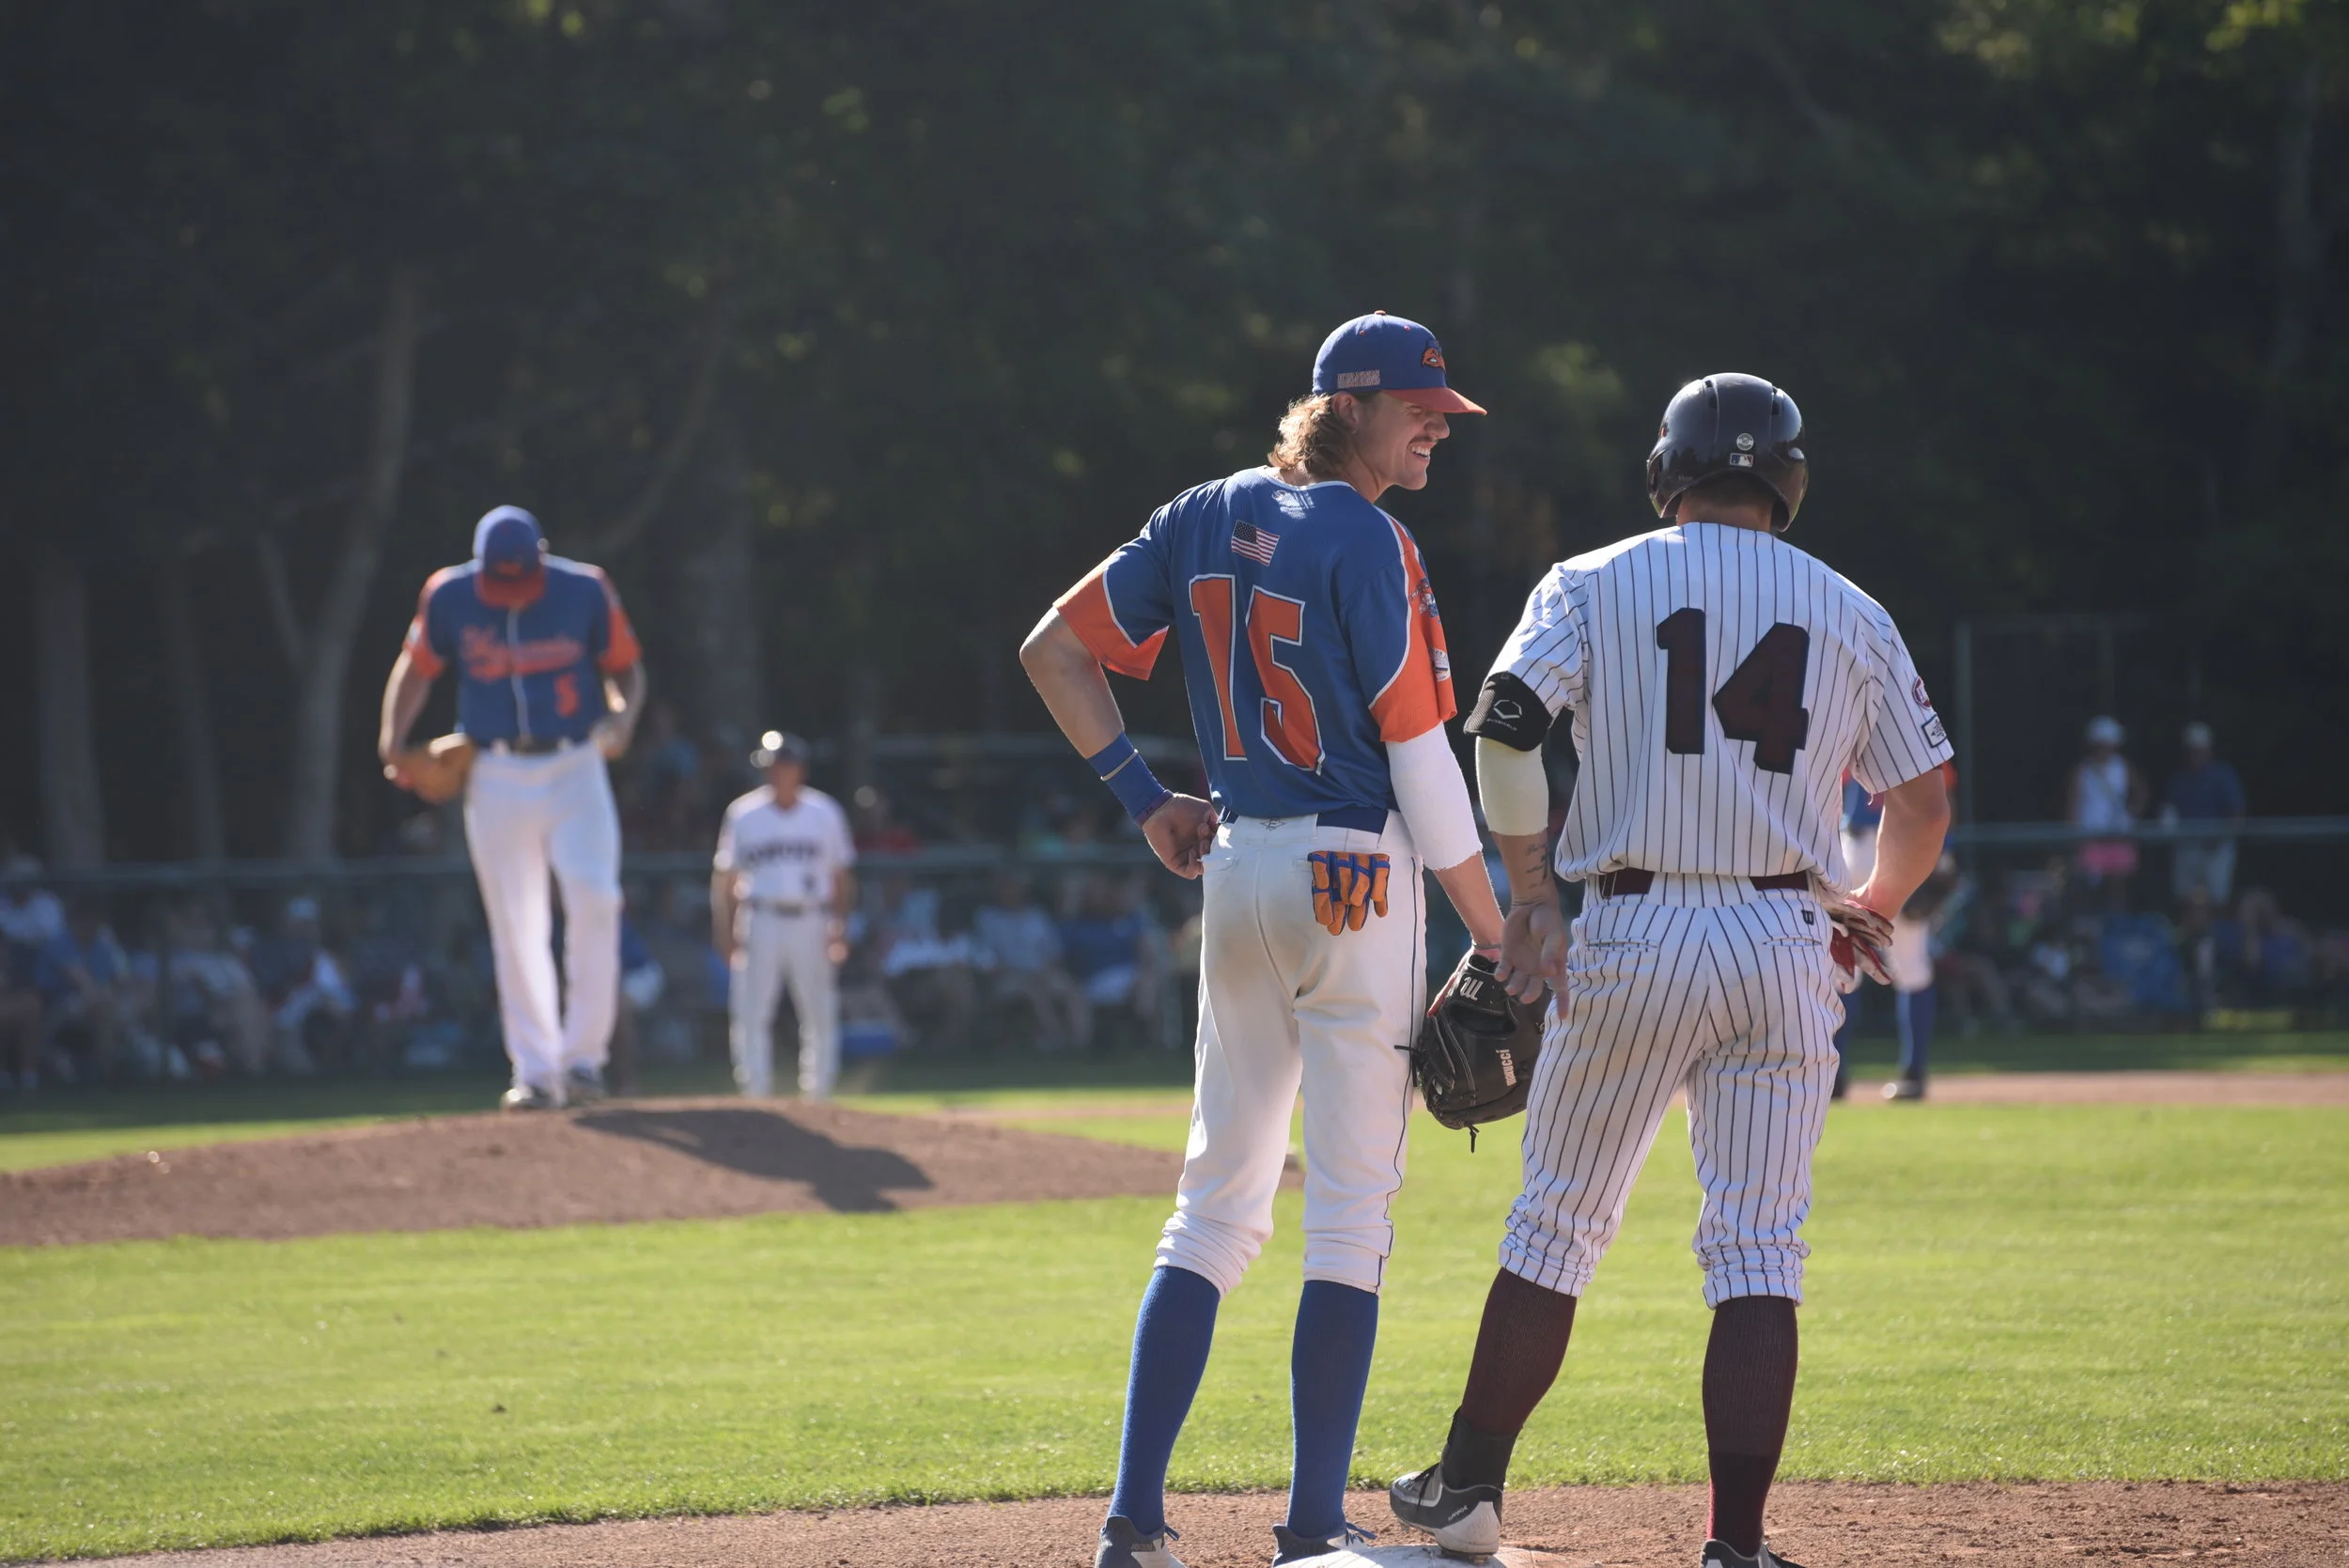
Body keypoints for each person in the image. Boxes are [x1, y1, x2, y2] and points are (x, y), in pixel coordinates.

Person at [1388, 374, 1952, 1568]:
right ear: (1785, 484)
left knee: (1555, 1227)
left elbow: (1499, 722)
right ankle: (1736, 1547)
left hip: (1632, 928)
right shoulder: (1850, 606)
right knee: (1756, 1247)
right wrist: (1878, 904)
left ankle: (1470, 1486)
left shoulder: (1592, 579)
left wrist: (1530, 895)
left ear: (1666, 476)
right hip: (1783, 937)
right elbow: (1923, 797)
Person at [1020, 310, 1506, 1568]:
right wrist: (1501, 934)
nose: (1438, 430)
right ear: (1351, 408)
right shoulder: (1374, 541)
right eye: (1420, 410)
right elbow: (1422, 766)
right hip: (1356, 873)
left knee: (1213, 1208)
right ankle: (1306, 1528)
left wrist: (1144, 799)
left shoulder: (1198, 513)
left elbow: (1053, 652)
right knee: (1348, 1216)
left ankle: (1134, 1522)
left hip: (1235, 867)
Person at [379, 505, 646, 1110]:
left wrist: (623, 717)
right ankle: (535, 1071)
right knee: (515, 920)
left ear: (542, 555)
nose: (511, 592)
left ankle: (583, 1063)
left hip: (575, 763)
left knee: (596, 899)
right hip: (495, 769)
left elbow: (626, 672)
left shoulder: (584, 589)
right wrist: (392, 741)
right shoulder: (450, 595)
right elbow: (416, 669)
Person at [711, 731, 857, 1099]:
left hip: (812, 917)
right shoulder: (744, 813)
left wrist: (840, 926)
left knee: (819, 1009)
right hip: (760, 917)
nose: (778, 773)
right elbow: (726, 879)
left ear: (801, 769)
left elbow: (841, 877)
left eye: (785, 765)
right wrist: (725, 931)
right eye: (772, 766)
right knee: (751, 1010)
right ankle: (755, 1092)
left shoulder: (824, 812)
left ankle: (818, 1093)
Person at [972, 871, 1088, 1049]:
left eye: (1017, 887)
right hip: (1007, 978)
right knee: (1032, 991)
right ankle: (1056, 1040)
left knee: (1072, 991)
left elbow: (1053, 952)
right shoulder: (987, 918)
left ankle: (1081, 1044)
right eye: (1008, 886)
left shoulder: (1037, 916)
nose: (1013, 891)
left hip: (1043, 973)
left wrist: (1046, 971)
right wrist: (1017, 973)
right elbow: (984, 958)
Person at [2164, 722, 2245, 907]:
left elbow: (2236, 812)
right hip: (2187, 848)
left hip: (2216, 848)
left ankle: (2215, 934)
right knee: (2186, 898)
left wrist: (2224, 836)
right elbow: (2170, 813)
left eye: (2200, 750)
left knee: (2217, 899)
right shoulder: (2179, 779)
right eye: (2192, 750)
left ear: (2208, 749)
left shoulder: (2223, 775)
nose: (2196, 754)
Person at [2068, 715, 2145, 900]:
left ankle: (2117, 926)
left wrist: (2131, 815)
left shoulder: (2123, 767)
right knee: (2088, 889)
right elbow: (2072, 804)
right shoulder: (2082, 771)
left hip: (2118, 836)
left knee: (2118, 889)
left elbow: (2140, 792)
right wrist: (2072, 836)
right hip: (2090, 837)